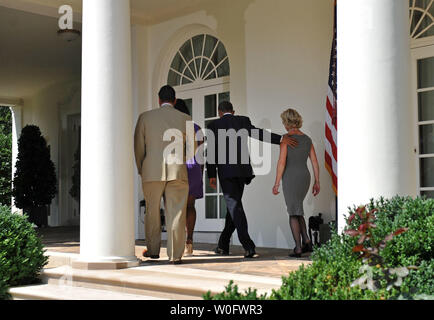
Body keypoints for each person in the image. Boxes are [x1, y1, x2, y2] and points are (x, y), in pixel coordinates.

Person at [206, 101, 297, 259]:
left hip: (226, 173)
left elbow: (212, 152)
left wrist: (211, 175)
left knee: (235, 207)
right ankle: (223, 244)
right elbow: (258, 133)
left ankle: (248, 246)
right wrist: (280, 139)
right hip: (242, 171)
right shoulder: (242, 120)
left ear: (219, 112)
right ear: (233, 111)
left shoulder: (214, 125)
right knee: (233, 208)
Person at [134, 85, 193, 265]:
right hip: (177, 170)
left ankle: (152, 251)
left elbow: (138, 147)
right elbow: (191, 150)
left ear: (159, 100)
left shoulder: (145, 117)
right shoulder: (186, 118)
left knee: (152, 212)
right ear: (174, 101)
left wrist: (141, 168)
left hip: (151, 171)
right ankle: (175, 255)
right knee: (177, 213)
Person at [272, 108, 320, 258]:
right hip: (305, 177)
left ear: (287, 122)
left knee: (293, 213)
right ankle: (307, 241)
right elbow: (314, 161)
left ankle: (298, 248)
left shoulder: (286, 139)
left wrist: (276, 183)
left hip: (291, 177)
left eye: (283, 122)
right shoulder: (307, 139)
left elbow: (281, 162)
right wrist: (317, 181)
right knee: (297, 209)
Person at [174, 99, 204, 256]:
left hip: (180, 167)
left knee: (178, 207)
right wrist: (202, 172)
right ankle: (189, 241)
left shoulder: (173, 126)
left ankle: (177, 243)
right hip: (195, 168)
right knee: (190, 206)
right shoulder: (196, 127)